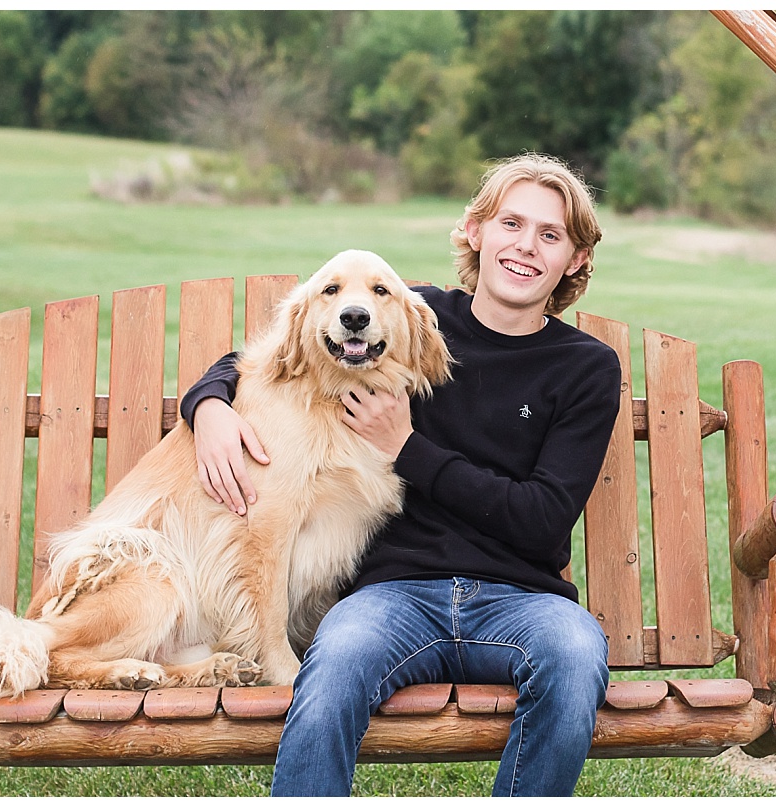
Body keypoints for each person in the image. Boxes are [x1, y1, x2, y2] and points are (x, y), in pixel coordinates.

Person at [179, 152, 621, 797]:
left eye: (550, 235)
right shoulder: (413, 320)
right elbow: (282, 351)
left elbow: (540, 519)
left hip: (522, 602)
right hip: (395, 596)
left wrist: (407, 446)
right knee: (330, 668)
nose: (525, 247)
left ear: (576, 259)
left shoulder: (584, 368)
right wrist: (210, 405)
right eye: (511, 224)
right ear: (475, 232)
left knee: (579, 658)